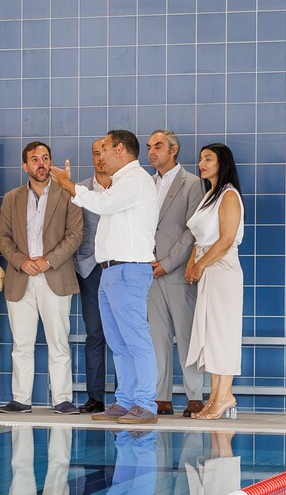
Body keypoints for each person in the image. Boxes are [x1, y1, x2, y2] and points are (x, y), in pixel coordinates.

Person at [54, 130, 158, 422]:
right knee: (118, 343)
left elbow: (101, 204)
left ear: (120, 149)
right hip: (110, 271)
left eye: (106, 149)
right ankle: (124, 400)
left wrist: (69, 185)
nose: (101, 156)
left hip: (128, 269)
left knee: (135, 339)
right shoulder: (120, 183)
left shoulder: (136, 180)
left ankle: (145, 402)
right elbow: (102, 203)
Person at [0, 140, 83, 413]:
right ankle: (21, 399)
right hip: (21, 277)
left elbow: (75, 235)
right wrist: (21, 261)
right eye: (34, 159)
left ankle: (62, 399)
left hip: (54, 276)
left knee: (58, 342)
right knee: (22, 344)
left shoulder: (68, 194)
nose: (41, 163)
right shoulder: (11, 198)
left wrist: (48, 260)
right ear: (25, 166)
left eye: (45, 158)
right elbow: (3, 237)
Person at [146, 128, 208, 417]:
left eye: (158, 146)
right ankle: (161, 397)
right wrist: (148, 261)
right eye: (149, 147)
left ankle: (195, 396)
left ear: (174, 150)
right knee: (156, 337)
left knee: (186, 336)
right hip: (149, 270)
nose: (152, 151)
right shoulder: (147, 184)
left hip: (179, 271)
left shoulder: (192, 183)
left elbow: (192, 230)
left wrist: (168, 263)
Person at [185, 143, 246, 421]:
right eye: (200, 159)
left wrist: (200, 264)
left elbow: (225, 240)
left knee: (224, 333)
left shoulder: (229, 195)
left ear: (223, 163)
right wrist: (192, 262)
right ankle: (214, 395)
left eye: (208, 159)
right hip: (208, 268)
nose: (202, 164)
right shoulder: (210, 195)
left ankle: (225, 394)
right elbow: (199, 238)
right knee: (211, 334)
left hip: (222, 270)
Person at [73, 138, 114, 414]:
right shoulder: (80, 190)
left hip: (118, 267)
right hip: (89, 269)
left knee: (121, 335)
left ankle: (124, 396)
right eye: (95, 154)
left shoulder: (125, 187)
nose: (100, 158)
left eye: (104, 153)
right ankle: (95, 397)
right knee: (95, 334)